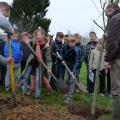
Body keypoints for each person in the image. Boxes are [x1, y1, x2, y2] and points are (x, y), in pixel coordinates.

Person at [21, 28, 52, 99]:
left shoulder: (46, 47)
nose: (36, 36)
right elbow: (28, 40)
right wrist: (27, 40)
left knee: (38, 80)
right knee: (25, 77)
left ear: (43, 36)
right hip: (32, 62)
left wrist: (49, 68)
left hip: (40, 64)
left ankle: (37, 96)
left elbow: (49, 60)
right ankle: (24, 93)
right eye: (36, 35)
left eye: (38, 35)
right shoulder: (35, 42)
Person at [105, 3, 120, 120]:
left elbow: (113, 42)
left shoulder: (114, 19)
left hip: (117, 58)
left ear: (110, 10)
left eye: (107, 14)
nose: (107, 17)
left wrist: (108, 59)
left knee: (117, 90)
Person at [62, 36, 79, 104]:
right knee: (67, 81)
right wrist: (63, 60)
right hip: (67, 67)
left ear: (74, 43)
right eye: (69, 42)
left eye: (72, 42)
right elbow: (64, 56)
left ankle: (70, 97)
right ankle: (67, 94)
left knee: (72, 82)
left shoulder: (75, 50)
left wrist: (73, 71)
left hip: (73, 69)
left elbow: (76, 62)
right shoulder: (66, 48)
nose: (71, 44)